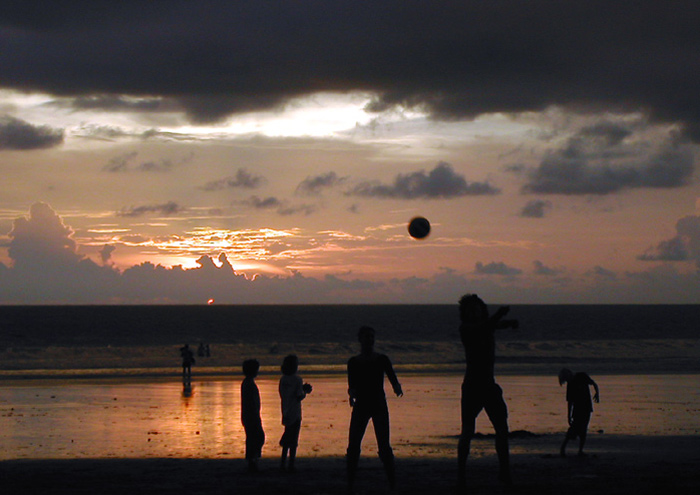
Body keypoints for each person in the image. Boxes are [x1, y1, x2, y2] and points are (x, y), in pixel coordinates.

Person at [457, 294, 518, 487]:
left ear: (482, 310)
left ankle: (504, 472)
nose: (474, 312)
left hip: (489, 386)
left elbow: (492, 326)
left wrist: (508, 322)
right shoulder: (466, 329)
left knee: (502, 429)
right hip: (472, 387)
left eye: (477, 308)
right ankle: (461, 474)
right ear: (465, 313)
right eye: (470, 309)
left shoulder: (487, 326)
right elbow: (485, 327)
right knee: (467, 430)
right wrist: (499, 315)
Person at [346, 326, 403, 492]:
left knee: (384, 445)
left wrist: (396, 387)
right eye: (366, 336)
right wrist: (351, 394)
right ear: (360, 339)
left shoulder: (382, 359)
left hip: (378, 404)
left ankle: (392, 483)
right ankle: (350, 483)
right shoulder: (354, 362)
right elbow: (351, 384)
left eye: (371, 336)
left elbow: (392, 375)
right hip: (361, 405)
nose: (369, 339)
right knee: (354, 445)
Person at [278, 354, 313, 472]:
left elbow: (285, 393)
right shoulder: (297, 379)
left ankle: (283, 463)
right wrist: (305, 391)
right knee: (293, 439)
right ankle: (291, 463)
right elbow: (298, 396)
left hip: (285, 410)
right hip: (295, 412)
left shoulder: (283, 379)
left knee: (287, 435)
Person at [558, 368, 600, 457]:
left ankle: (580, 450)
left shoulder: (582, 376)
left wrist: (597, 394)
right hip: (577, 410)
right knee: (573, 429)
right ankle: (563, 448)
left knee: (583, 429)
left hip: (586, 408)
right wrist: (568, 416)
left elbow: (594, 384)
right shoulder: (570, 384)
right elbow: (570, 402)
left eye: (566, 379)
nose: (567, 381)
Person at [241, 359, 265, 472]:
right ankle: (252, 459)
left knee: (254, 437)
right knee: (257, 437)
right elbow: (251, 401)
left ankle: (252, 459)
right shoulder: (248, 384)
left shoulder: (247, 383)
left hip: (249, 415)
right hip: (251, 415)